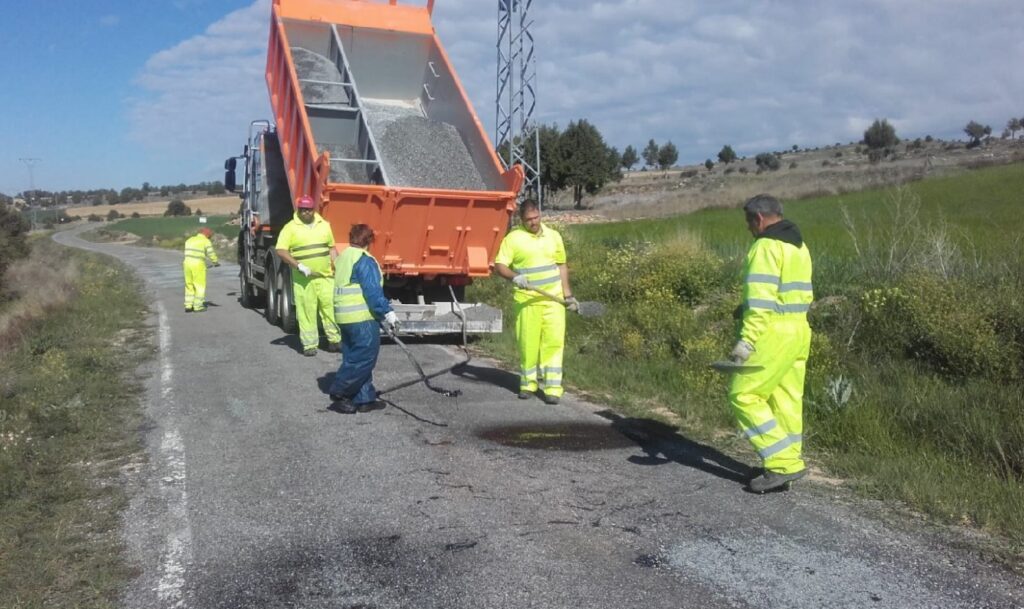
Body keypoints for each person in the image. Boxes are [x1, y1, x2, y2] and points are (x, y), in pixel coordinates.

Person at [728, 194, 814, 493]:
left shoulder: (765, 247)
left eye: (749, 223)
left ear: (759, 219)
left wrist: (747, 340)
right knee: (785, 399)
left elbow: (763, 300)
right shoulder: (798, 245)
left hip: (772, 333)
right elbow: (788, 292)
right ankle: (788, 462)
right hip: (799, 329)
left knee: (744, 395)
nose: (749, 229)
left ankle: (782, 463)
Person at [494, 200, 578, 405]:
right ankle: (528, 384)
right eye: (529, 220)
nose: (533, 222)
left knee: (553, 344)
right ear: (522, 220)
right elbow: (500, 265)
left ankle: (552, 389)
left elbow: (562, 265)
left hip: (554, 302)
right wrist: (515, 277)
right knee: (528, 344)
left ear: (540, 215)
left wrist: (567, 296)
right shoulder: (513, 239)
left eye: (536, 217)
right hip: (527, 302)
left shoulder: (553, 236)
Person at [328, 224, 398, 414]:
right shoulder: (364, 260)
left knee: (353, 356)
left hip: (344, 317)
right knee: (365, 358)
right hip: (361, 319)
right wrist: (387, 312)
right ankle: (339, 392)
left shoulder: (343, 258)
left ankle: (364, 398)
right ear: (369, 241)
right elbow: (373, 293)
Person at [275, 195, 341, 356]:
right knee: (306, 311)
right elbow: (281, 250)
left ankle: (335, 341)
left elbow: (332, 248)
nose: (305, 212)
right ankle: (309, 345)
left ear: (314, 209)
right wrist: (298, 266)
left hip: (325, 277)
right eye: (302, 209)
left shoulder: (324, 225)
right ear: (298, 209)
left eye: (308, 209)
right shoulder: (290, 228)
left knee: (330, 309)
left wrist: (339, 266)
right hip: (303, 280)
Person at [183, 227, 219, 312]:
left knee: (189, 285)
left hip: (187, 264)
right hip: (198, 265)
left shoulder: (190, 239)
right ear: (206, 233)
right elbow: (211, 253)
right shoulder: (206, 241)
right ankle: (198, 306)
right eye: (210, 234)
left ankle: (188, 305)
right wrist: (215, 262)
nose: (210, 236)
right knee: (199, 286)